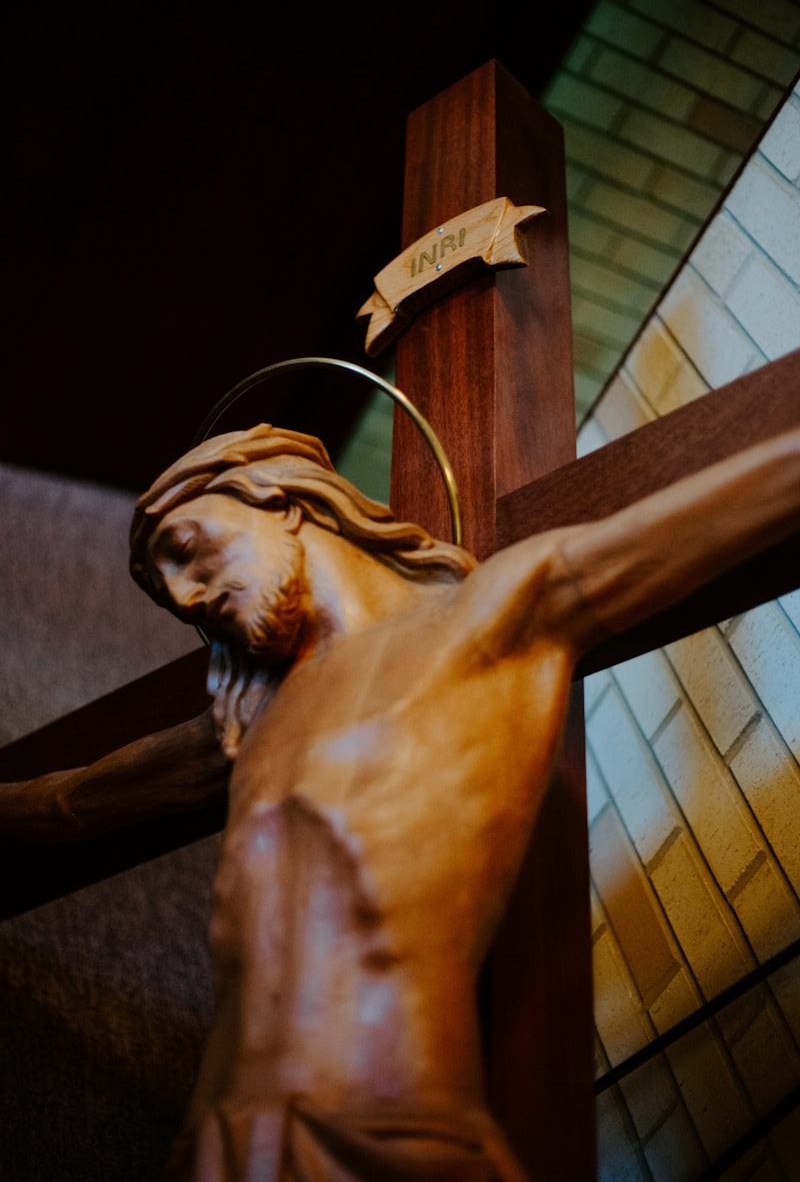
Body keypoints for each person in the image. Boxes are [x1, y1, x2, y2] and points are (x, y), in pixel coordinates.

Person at [3, 421, 800, 1181]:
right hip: (214, 1144)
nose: (189, 594)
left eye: (186, 550)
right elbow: (62, 805)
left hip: (382, 1130)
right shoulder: (247, 730)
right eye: (169, 592)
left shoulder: (491, 617)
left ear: (278, 498)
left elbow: (744, 497)